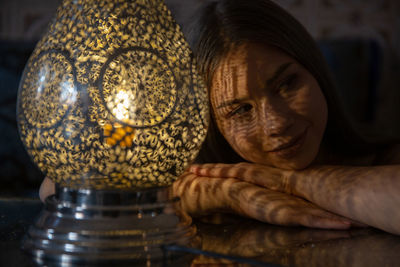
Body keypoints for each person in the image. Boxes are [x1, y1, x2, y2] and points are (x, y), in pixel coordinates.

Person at [40, 0, 400, 234]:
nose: (276, 122)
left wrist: (286, 182)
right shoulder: (194, 163)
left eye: (288, 84)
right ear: (210, 120)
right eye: (240, 110)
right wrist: (226, 193)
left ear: (316, 73)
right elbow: (56, 185)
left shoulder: (385, 159)